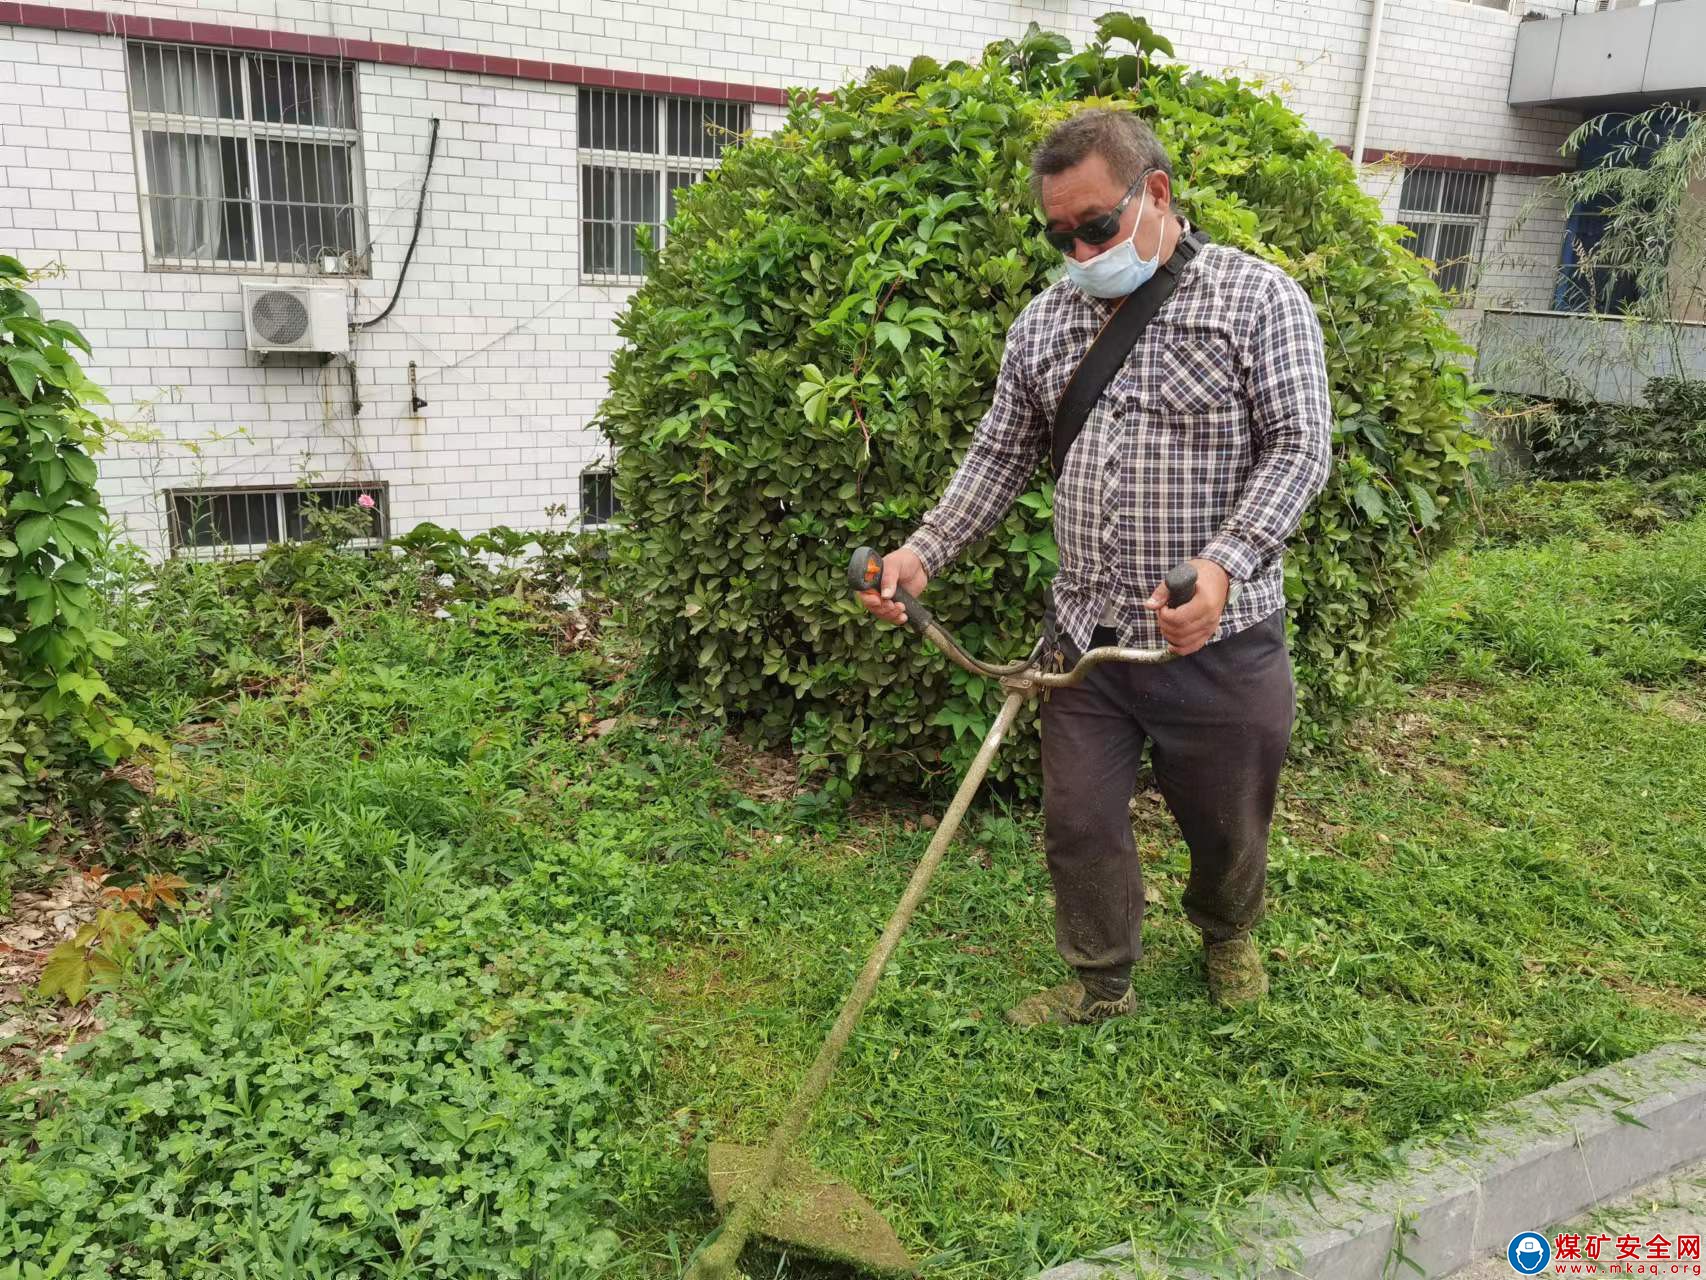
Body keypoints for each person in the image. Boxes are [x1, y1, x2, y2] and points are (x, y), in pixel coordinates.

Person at [856, 108, 1332, 1025]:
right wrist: (923, 552)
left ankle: (1228, 933)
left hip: (1220, 637)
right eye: (1059, 235)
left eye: (1097, 227)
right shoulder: (1043, 325)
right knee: (1078, 821)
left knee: (1228, 823)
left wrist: (1224, 567)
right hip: (1082, 637)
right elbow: (1000, 456)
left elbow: (1299, 448)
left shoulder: (1257, 301)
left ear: (1154, 193)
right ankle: (1103, 980)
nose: (1079, 252)